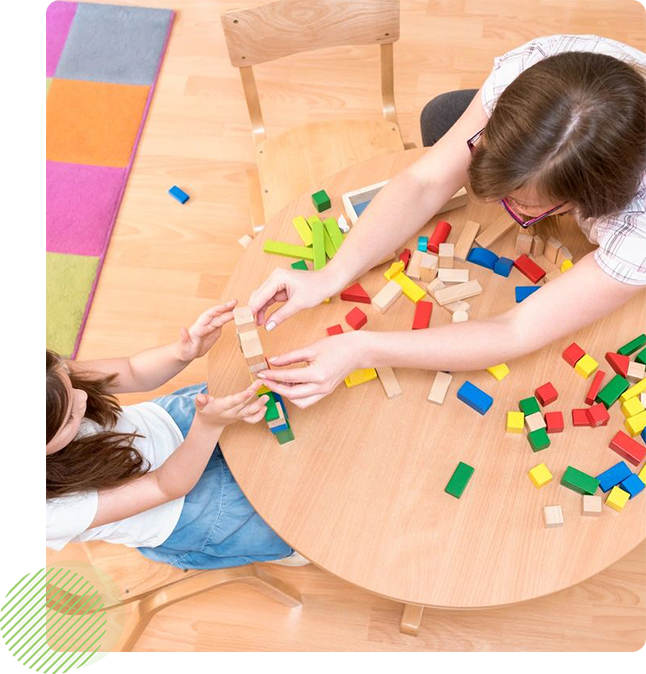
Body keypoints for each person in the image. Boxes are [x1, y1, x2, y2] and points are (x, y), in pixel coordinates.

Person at [247, 35, 646, 409]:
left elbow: (515, 329)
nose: (492, 202)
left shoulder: (637, 233)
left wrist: (364, 348)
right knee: (443, 117)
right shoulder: (540, 65)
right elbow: (424, 182)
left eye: (521, 206)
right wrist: (332, 274)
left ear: (587, 201)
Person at [46, 300, 306, 568]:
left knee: (283, 411)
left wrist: (182, 352)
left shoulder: (50, 382)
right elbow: (163, 486)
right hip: (184, 507)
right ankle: (285, 547)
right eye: (69, 420)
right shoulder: (53, 513)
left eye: (69, 381)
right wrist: (208, 427)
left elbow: (133, 371)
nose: (83, 397)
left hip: (171, 422)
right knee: (291, 523)